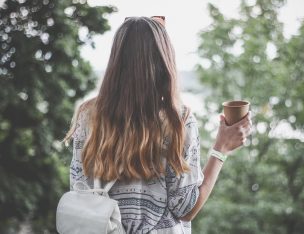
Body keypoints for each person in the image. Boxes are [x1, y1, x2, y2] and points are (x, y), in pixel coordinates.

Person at [62, 16, 252, 234]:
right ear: (164, 61)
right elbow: (185, 209)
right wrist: (221, 149)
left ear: (116, 59)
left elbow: (80, 190)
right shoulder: (176, 120)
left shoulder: (89, 115)